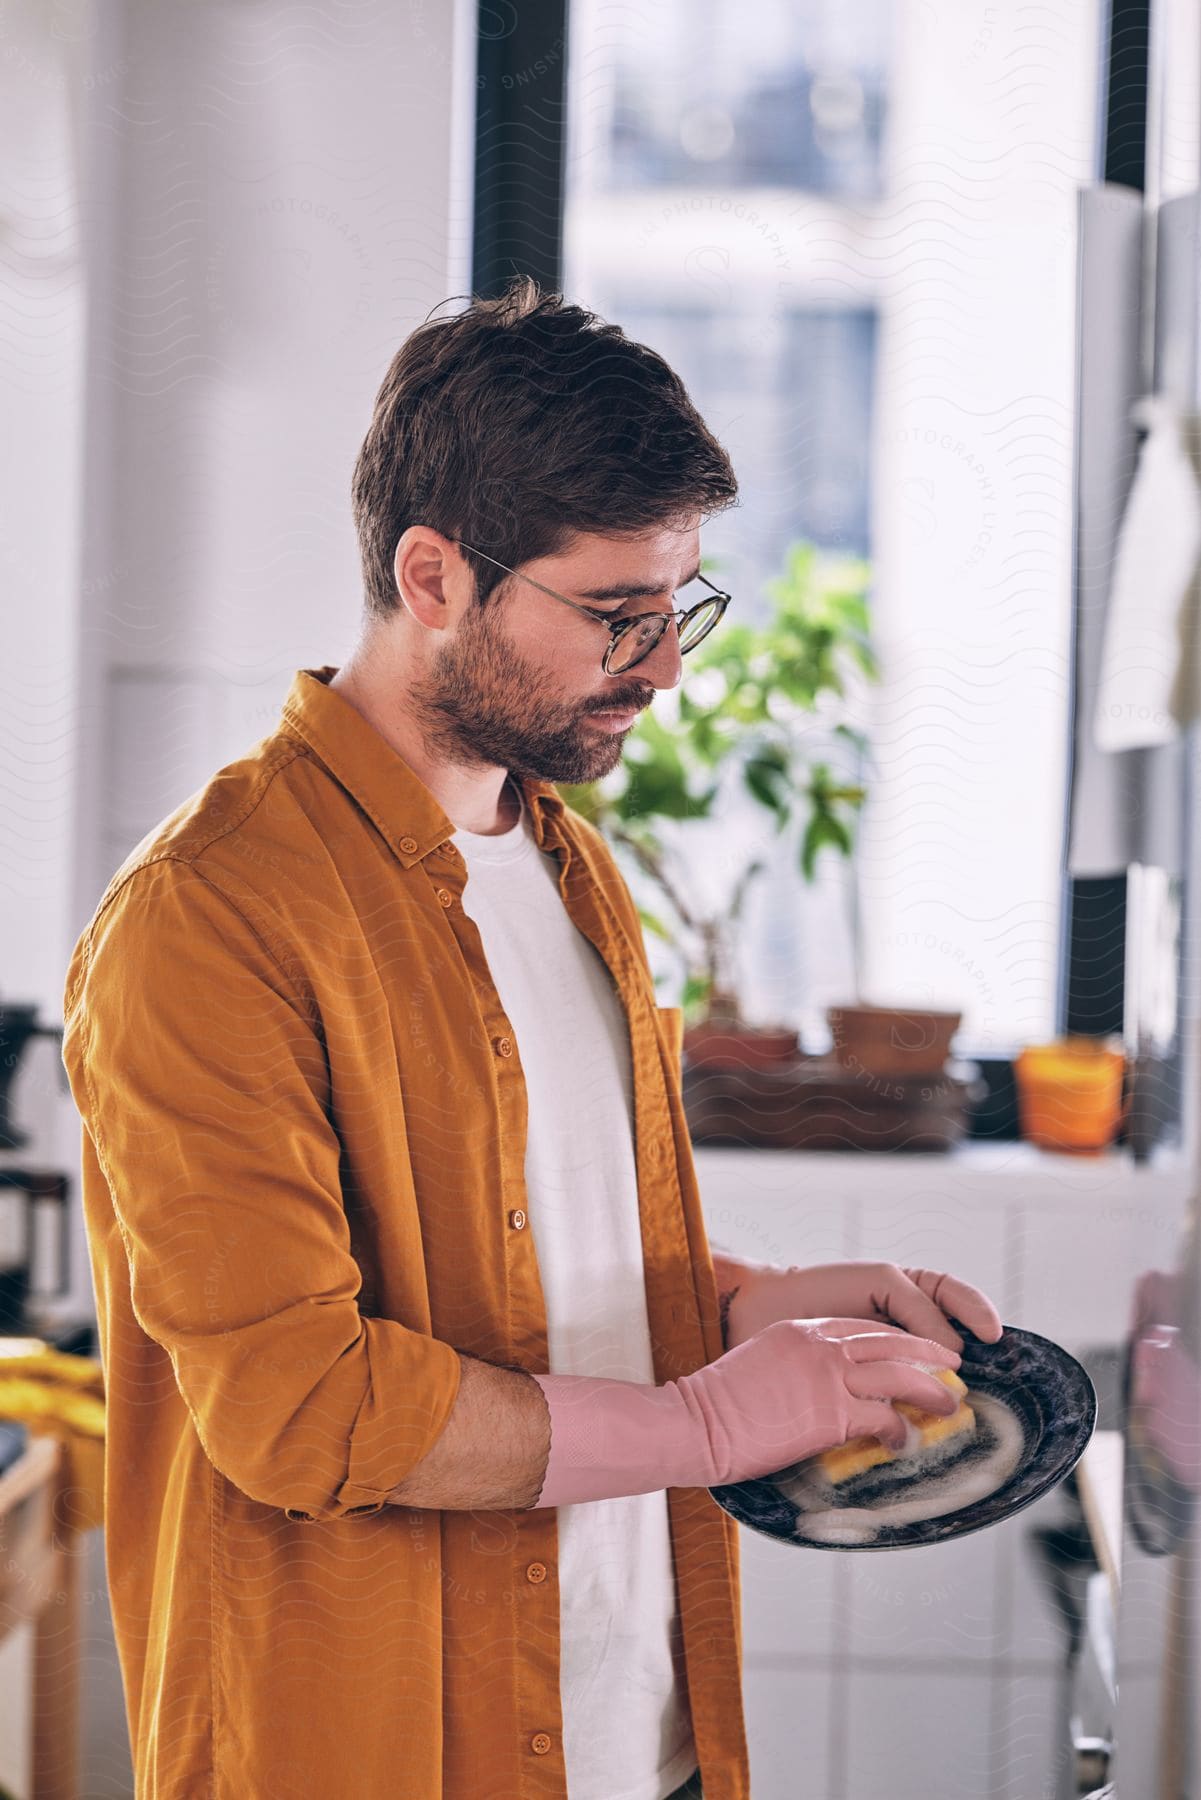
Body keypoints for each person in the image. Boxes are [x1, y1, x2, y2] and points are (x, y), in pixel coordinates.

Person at [61, 277, 1003, 1800]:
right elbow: (300, 1409)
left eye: (677, 607)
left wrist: (749, 1310)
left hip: (631, 1739)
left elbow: (515, 1273)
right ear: (432, 575)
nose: (665, 669)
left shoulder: (565, 866)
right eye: (615, 617)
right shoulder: (211, 917)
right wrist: (699, 1419)